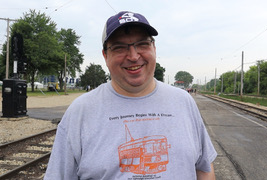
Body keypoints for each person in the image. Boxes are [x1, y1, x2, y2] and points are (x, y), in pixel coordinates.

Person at [44, 11, 217, 180]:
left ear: (154, 48)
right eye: (119, 47)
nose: (134, 56)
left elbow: (204, 169)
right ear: (105, 55)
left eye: (142, 44)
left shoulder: (183, 102)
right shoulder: (80, 112)